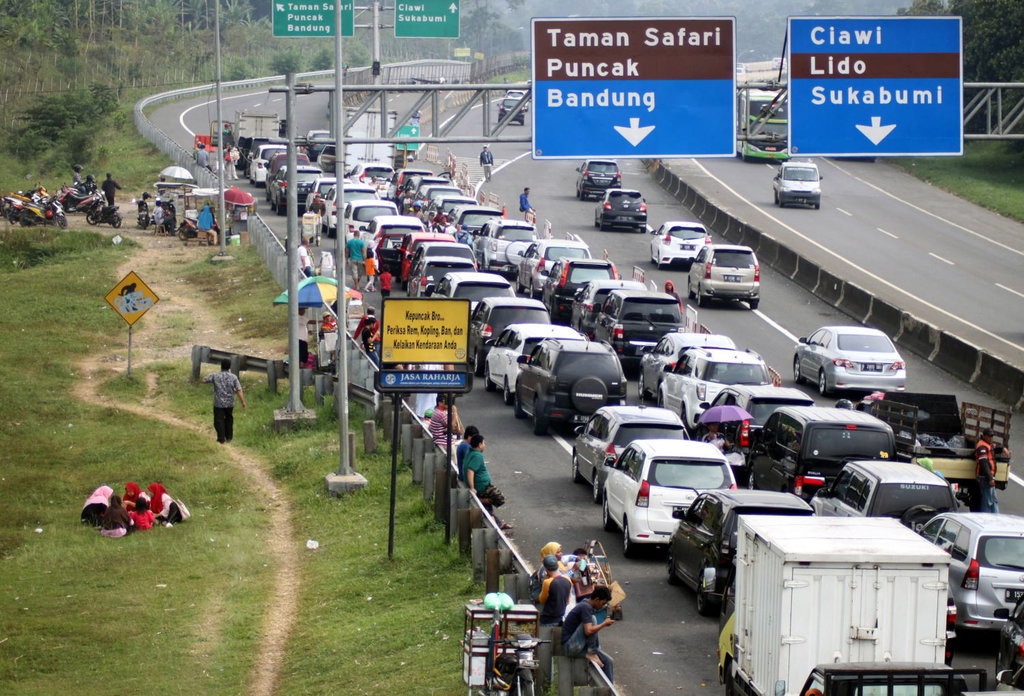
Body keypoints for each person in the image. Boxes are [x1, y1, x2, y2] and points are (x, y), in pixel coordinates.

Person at [561, 585, 616, 683]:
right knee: (593, 620)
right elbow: (588, 630)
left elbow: (590, 630)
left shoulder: (587, 605)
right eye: (603, 603)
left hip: (579, 646)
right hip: (570, 647)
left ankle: (610, 692)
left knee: (609, 661)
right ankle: (592, 652)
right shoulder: (585, 607)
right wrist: (604, 624)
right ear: (597, 599)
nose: (603, 606)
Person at [464, 434, 512, 530]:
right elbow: (470, 470)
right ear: (479, 444)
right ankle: (481, 502)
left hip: (482, 485)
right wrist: (472, 487)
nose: (485, 445)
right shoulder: (477, 455)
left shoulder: (470, 452)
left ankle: (498, 524)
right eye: (483, 443)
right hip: (481, 486)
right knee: (499, 498)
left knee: (488, 507)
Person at [202, 358, 246, 444]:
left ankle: (221, 438)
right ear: (229, 367)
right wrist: (243, 402)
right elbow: (239, 390)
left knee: (218, 420)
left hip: (218, 403)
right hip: (230, 403)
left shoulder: (215, 375)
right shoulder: (233, 377)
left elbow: (204, 380)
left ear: (221, 366)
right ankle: (229, 437)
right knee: (229, 419)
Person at [976, 428, 1009, 513]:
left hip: (989, 477)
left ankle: (996, 518)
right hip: (985, 477)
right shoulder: (982, 446)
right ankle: (985, 519)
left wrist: (1002, 449)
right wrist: (990, 478)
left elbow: (994, 449)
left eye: (992, 436)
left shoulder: (987, 444)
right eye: (989, 436)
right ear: (984, 436)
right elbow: (984, 463)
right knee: (987, 501)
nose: (991, 438)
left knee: (993, 500)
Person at [537, 554, 574, 627]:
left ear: (545, 568)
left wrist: (545, 580)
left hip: (547, 619)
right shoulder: (567, 579)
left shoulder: (547, 582)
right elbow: (568, 601)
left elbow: (542, 600)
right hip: (560, 619)